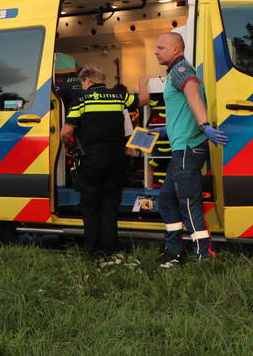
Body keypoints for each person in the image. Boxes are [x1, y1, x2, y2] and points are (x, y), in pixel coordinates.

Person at [140, 33, 228, 265]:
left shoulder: (182, 72)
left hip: (189, 148)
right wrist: (163, 131)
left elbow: (193, 97)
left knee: (188, 202)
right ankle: (174, 250)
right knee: (167, 199)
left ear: (176, 49)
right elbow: (182, 111)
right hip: (181, 147)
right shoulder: (173, 73)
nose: (156, 51)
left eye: (160, 47)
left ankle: (204, 255)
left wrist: (204, 125)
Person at [61, 65, 148, 257]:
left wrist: (68, 146)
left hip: (91, 161)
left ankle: (91, 252)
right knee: (109, 208)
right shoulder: (119, 97)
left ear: (89, 81)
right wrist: (143, 82)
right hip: (116, 161)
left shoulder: (80, 100)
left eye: (82, 83)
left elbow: (66, 132)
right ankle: (110, 251)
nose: (82, 87)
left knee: (90, 208)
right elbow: (143, 100)